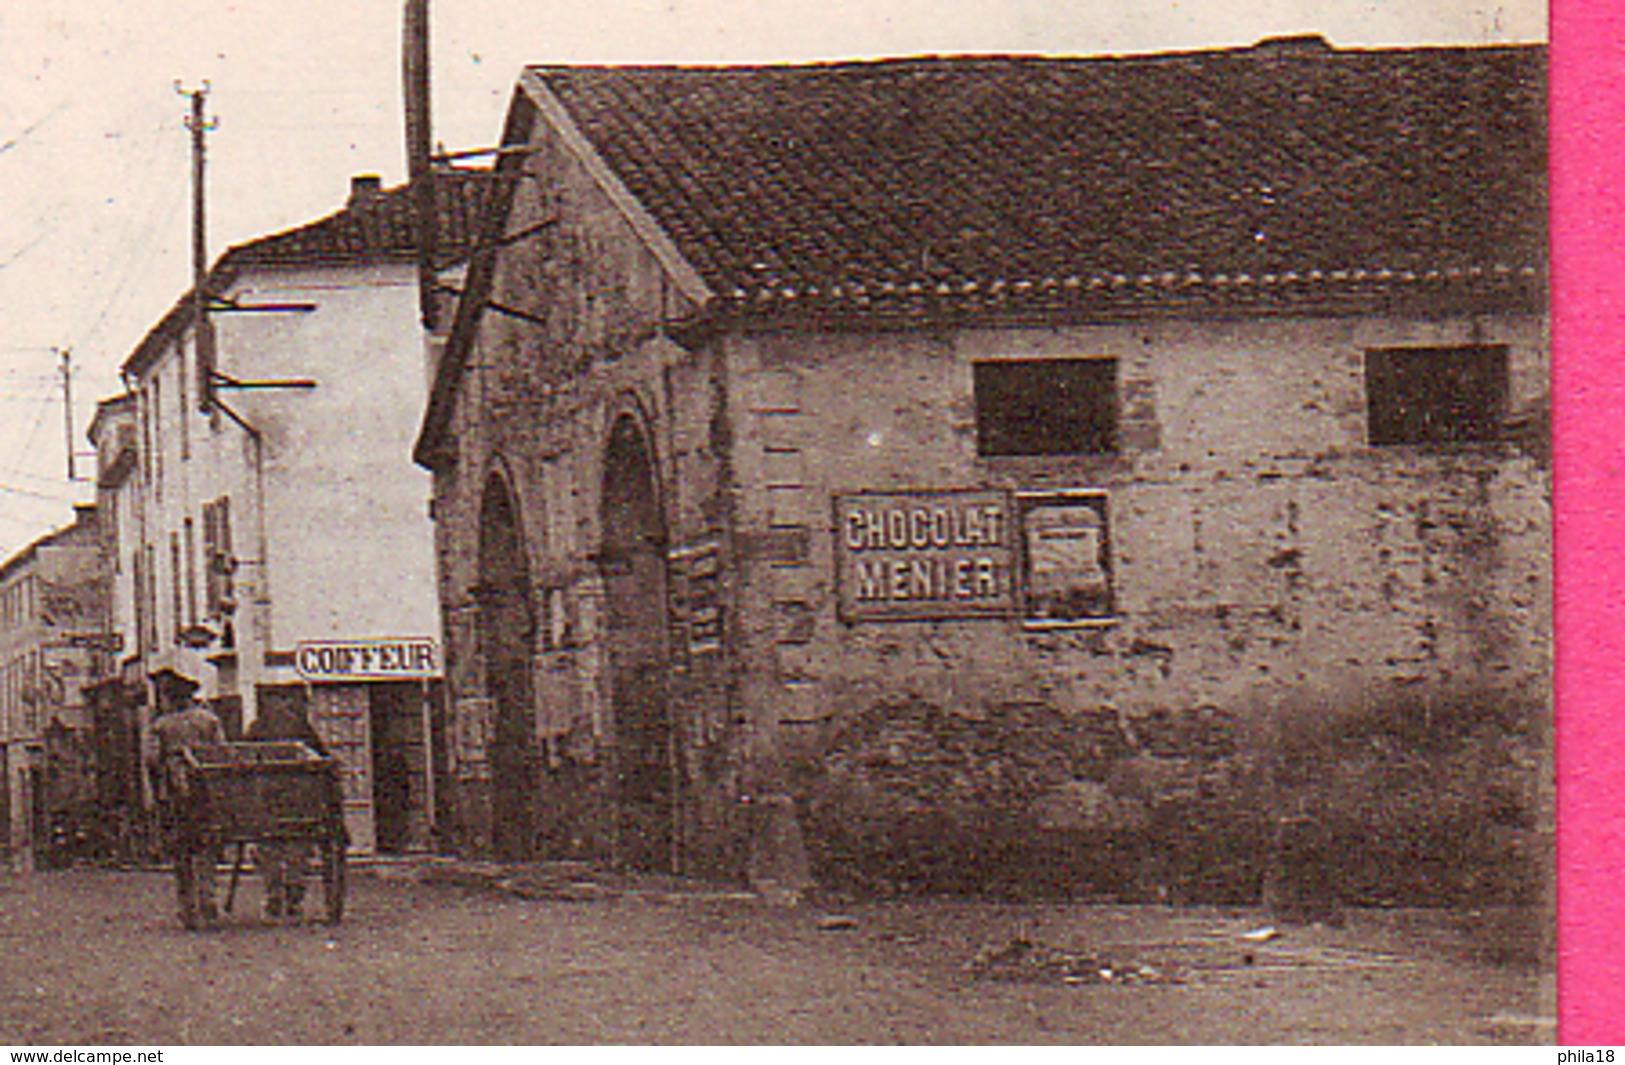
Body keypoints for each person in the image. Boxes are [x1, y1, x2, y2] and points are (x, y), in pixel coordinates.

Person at [149, 671, 226, 929]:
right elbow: (222, 754)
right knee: (208, 846)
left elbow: (151, 761)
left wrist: (157, 791)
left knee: (181, 851)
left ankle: (188, 905)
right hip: (208, 791)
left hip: (177, 793)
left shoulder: (162, 726)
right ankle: (208, 894)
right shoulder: (209, 721)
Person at [246, 699, 330, 920]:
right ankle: (293, 895)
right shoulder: (302, 729)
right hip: (297, 801)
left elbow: (242, 761)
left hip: (267, 801)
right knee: (297, 848)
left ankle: (275, 893)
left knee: (269, 847)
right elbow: (322, 759)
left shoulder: (256, 729)